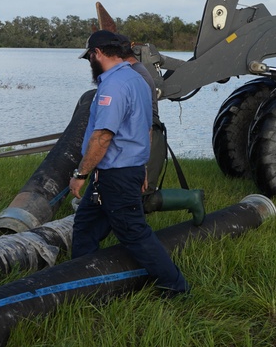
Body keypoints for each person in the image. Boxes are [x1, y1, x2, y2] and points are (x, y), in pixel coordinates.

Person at [69, 30, 189, 296]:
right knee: (86, 226)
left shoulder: (112, 86)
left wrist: (80, 173)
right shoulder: (138, 80)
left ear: (97, 53)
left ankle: (175, 286)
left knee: (134, 233)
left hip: (116, 175)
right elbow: (145, 128)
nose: (89, 62)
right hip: (123, 170)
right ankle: (81, 280)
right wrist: (143, 166)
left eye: (89, 56)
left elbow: (103, 137)